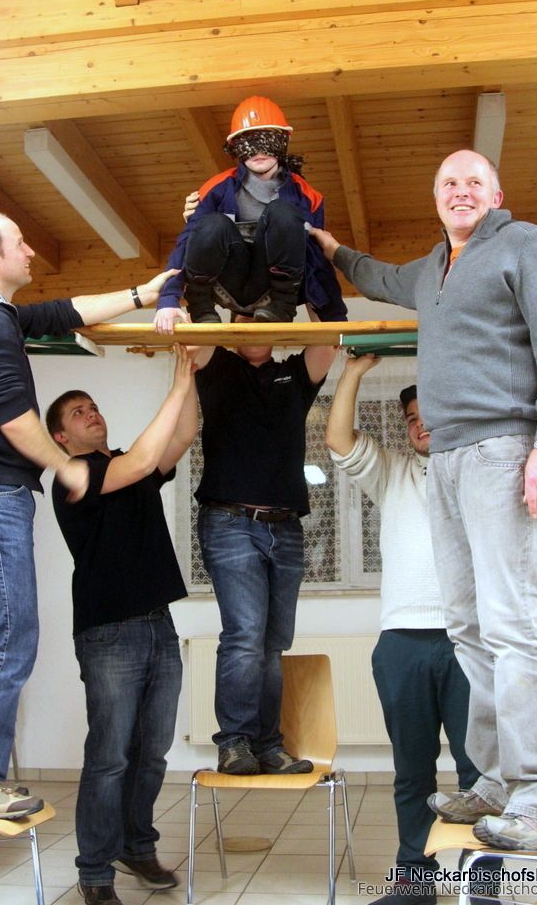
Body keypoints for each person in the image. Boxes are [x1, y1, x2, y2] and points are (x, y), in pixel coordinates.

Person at [310, 149, 537, 851]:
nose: (460, 192)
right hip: (448, 462)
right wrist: (332, 250)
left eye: (472, 182)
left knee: (513, 626)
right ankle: (494, 780)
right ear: (436, 197)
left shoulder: (525, 245)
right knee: (467, 627)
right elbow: (377, 276)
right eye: (448, 183)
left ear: (495, 192)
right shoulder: (433, 267)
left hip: (503, 449)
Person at [0, 210, 176, 822]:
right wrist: (64, 466)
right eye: (20, 242)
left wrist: (142, 294)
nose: (31, 251)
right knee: (9, 641)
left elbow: (66, 311)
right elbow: (15, 420)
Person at [46, 346, 198, 905]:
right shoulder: (72, 475)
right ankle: (95, 872)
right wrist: (175, 384)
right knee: (110, 757)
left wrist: (191, 376)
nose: (92, 413)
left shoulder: (125, 467)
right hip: (108, 632)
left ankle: (136, 845)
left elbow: (183, 435)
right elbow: (139, 461)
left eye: (93, 406)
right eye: (78, 412)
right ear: (60, 437)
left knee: (151, 752)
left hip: (159, 625)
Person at [327, 354, 478, 905]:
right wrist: (353, 372)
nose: (420, 424)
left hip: (470, 643)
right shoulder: (391, 471)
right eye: (412, 417)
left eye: (429, 413)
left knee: (478, 777)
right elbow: (338, 439)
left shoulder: (481, 468)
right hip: (401, 644)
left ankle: (482, 885)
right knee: (412, 774)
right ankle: (416, 883)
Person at [192, 315, 335, 774]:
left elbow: (327, 340)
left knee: (272, 643)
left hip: (286, 527)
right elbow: (195, 335)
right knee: (245, 634)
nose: (253, 327)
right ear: (230, 330)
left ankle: (269, 745)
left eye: (264, 320)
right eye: (243, 321)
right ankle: (234, 742)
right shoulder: (217, 365)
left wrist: (310, 282)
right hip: (230, 521)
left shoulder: (293, 374)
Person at [153, 95, 347, 332]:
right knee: (211, 223)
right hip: (225, 284)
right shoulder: (216, 188)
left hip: (275, 292)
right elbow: (187, 242)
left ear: (283, 142)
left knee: (284, 212)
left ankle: (282, 306)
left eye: (267, 141)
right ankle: (201, 305)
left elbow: (317, 259)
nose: (258, 151)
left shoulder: (307, 196)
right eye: (248, 143)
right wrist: (168, 299)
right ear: (235, 148)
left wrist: (335, 317)